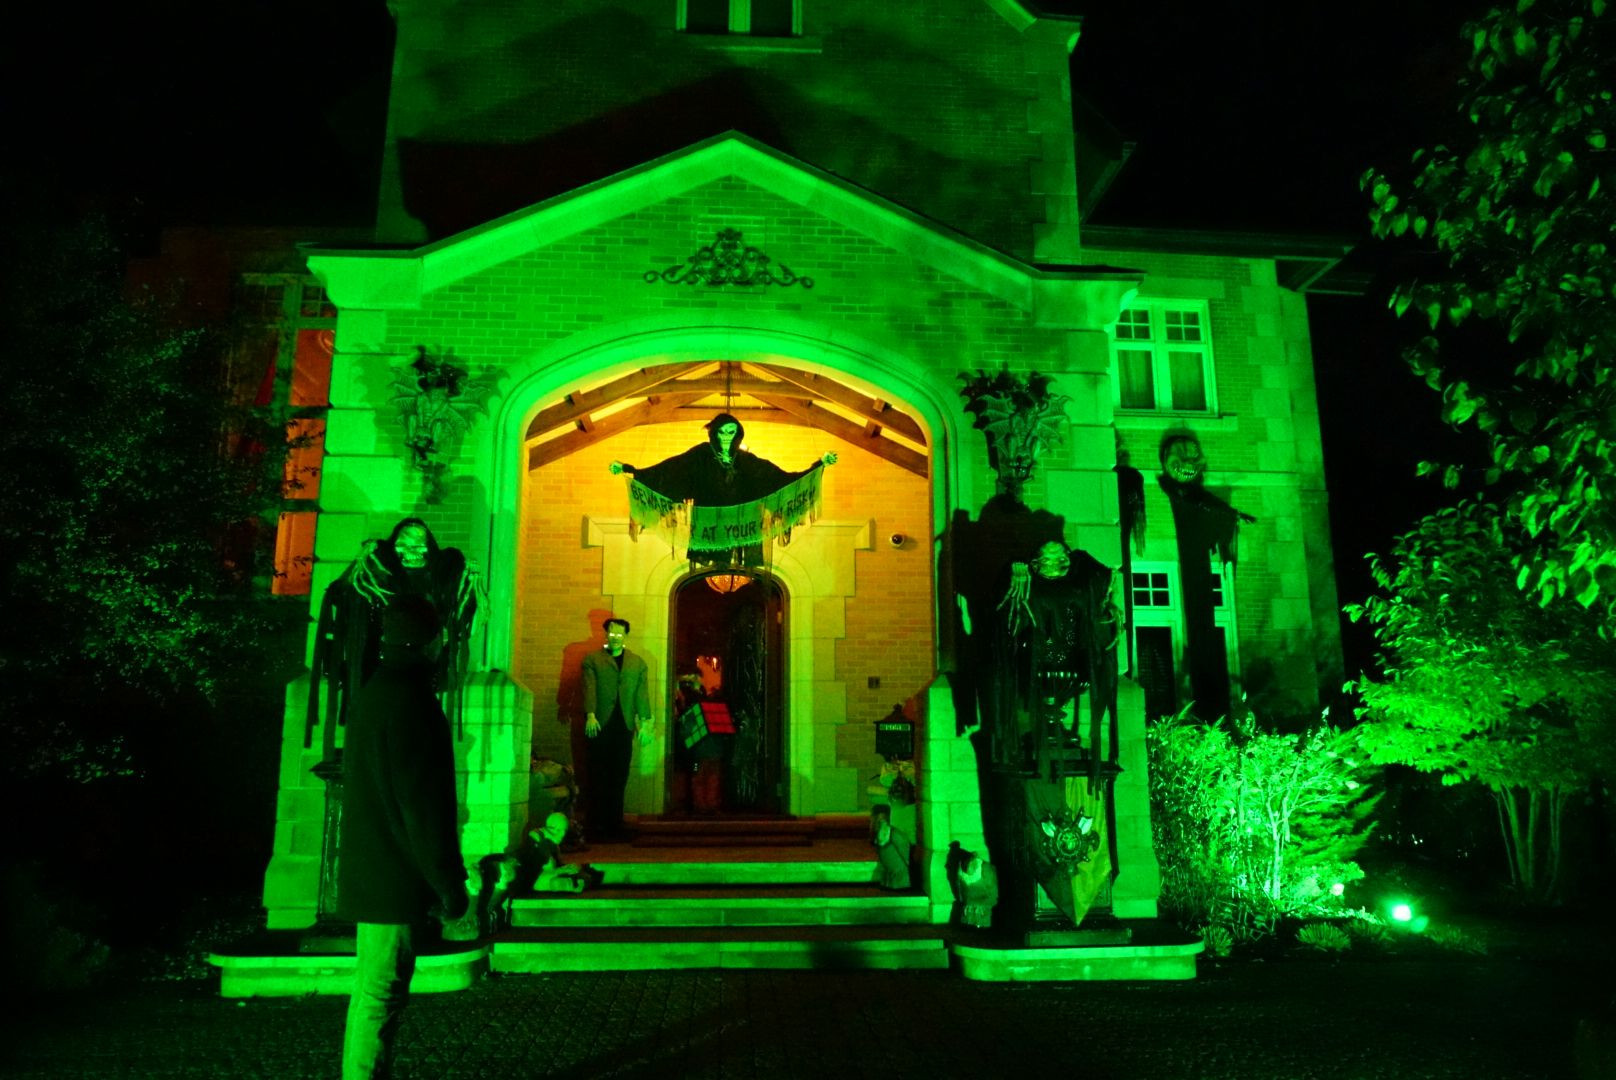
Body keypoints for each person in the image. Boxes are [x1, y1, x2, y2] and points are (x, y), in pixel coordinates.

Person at [337, 594, 469, 1080]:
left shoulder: (377, 692)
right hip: (392, 874)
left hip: (373, 866)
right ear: (429, 641)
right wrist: (449, 885)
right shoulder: (412, 703)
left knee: (373, 990)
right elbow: (423, 807)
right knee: (380, 992)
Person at [610, 412, 836, 567]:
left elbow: (777, 479)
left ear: (738, 435)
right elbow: (671, 470)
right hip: (709, 523)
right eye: (723, 432)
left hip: (742, 525)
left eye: (732, 432)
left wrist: (819, 466)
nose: (727, 437)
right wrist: (632, 471)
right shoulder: (701, 455)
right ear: (714, 433)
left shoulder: (746, 460)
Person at [581, 617, 655, 841]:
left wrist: (645, 722)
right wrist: (590, 714)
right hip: (600, 724)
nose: (615, 638)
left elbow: (641, 694)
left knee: (620, 774)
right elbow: (589, 687)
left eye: (619, 634)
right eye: (611, 633)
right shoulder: (593, 660)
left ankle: (615, 822)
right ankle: (596, 823)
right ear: (606, 634)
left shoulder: (637, 663)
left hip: (624, 725)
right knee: (597, 773)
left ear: (625, 636)